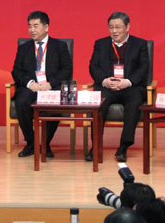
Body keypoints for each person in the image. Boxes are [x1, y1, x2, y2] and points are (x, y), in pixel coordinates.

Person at [87, 11, 151, 162]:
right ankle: (95, 146)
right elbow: (93, 66)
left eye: (118, 27)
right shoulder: (100, 44)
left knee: (134, 102)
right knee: (98, 103)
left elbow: (143, 68)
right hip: (107, 86)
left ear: (127, 27)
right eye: (111, 27)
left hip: (130, 87)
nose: (114, 31)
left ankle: (123, 147)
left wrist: (127, 82)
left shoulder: (140, 44)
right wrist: (105, 81)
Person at [11, 10, 72, 158]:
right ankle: (31, 143)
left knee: (55, 103)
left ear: (46, 27)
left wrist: (50, 84)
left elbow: (67, 70)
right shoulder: (24, 48)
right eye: (30, 26)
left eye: (35, 26)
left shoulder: (60, 46)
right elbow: (16, 71)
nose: (32, 30)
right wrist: (29, 83)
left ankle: (45, 143)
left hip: (51, 86)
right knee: (21, 101)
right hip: (32, 87)